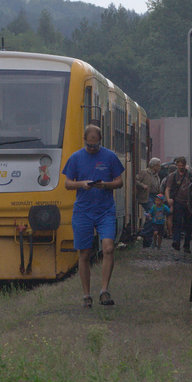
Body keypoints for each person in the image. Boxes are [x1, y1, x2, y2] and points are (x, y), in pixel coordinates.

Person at [62, 124, 124, 308]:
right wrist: (82, 184)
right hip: (83, 210)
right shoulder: (75, 158)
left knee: (108, 248)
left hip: (105, 210)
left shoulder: (110, 157)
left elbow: (119, 181)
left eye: (95, 146)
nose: (92, 148)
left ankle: (104, 290)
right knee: (84, 253)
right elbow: (67, 183)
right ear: (84, 141)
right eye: (89, 145)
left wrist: (105, 185)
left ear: (100, 142)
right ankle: (86, 295)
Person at [165, 156, 192, 253]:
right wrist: (168, 198)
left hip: (188, 203)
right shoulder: (173, 176)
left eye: (182, 165)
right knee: (177, 222)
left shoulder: (190, 174)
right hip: (178, 201)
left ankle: (186, 245)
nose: (180, 167)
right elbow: (168, 188)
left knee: (188, 224)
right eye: (179, 165)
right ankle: (176, 241)